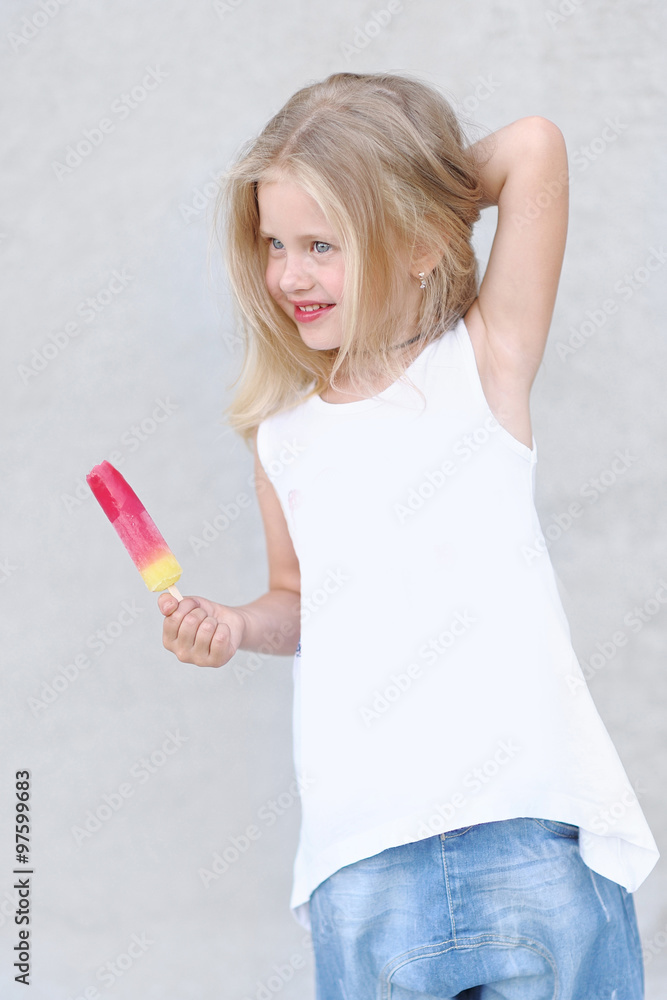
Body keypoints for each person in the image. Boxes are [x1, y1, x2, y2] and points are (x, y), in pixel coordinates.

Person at [158, 72, 659, 998]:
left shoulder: (485, 361)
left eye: (323, 243)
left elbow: (534, 146)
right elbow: (296, 604)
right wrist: (235, 625)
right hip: (364, 859)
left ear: (424, 244)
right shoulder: (283, 437)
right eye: (275, 244)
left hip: (530, 826)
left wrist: (400, 197)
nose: (290, 275)